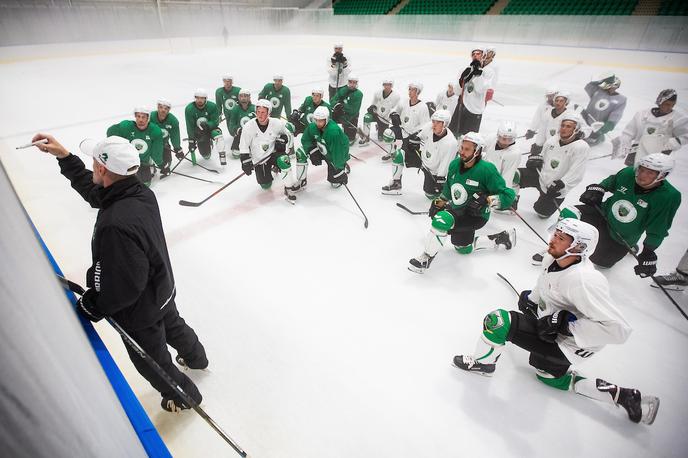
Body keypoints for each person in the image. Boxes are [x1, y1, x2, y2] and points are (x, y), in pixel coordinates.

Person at [32, 133, 207, 413]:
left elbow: (125, 287)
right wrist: (64, 157)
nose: (92, 169)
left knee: (153, 362)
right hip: (162, 288)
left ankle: (184, 396)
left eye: (93, 164)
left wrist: (94, 305)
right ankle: (197, 358)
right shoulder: (139, 193)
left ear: (102, 169)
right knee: (175, 326)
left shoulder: (115, 224)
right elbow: (95, 193)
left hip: (140, 311)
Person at [453, 218, 659, 426]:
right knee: (548, 376)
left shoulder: (584, 280)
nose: (553, 240)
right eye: (555, 234)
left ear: (579, 247)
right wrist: (533, 300)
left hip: (569, 344)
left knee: (497, 321)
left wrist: (566, 326)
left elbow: (618, 330)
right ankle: (624, 396)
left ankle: (483, 364)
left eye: (561, 238)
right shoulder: (553, 259)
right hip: (552, 331)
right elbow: (547, 283)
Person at [545, 153, 681, 274]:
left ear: (662, 175)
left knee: (600, 263)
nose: (642, 175)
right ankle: (557, 248)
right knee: (569, 213)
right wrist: (597, 190)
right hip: (602, 215)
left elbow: (658, 227)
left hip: (620, 236)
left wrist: (648, 251)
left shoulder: (669, 196)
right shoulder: (629, 173)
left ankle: (628, 246)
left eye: (650, 173)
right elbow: (608, 183)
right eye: (641, 169)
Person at [408, 132, 516, 274]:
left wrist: (488, 200)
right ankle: (500, 238)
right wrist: (439, 201)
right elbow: (448, 188)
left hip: (476, 216)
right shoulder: (454, 164)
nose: (462, 152)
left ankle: (425, 258)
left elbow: (509, 195)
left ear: (477, 151)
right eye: (462, 147)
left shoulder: (487, 169)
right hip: (457, 210)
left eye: (467, 149)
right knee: (463, 248)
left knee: (442, 221)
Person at [518, 112, 589, 218]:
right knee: (515, 175)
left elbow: (577, 173)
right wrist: (534, 161)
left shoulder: (581, 147)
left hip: (556, 189)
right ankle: (511, 202)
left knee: (541, 213)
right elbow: (541, 157)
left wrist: (562, 184)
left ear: (576, 129)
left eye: (568, 126)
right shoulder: (552, 140)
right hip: (541, 177)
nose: (564, 129)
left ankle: (544, 205)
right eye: (562, 125)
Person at [381, 109, 457, 198]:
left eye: (438, 122)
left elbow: (445, 163)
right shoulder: (430, 126)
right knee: (399, 154)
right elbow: (418, 135)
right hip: (422, 158)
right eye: (433, 121)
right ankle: (396, 184)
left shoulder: (451, 143)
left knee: (430, 195)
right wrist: (414, 140)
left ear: (445, 124)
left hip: (433, 171)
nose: (434, 125)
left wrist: (440, 180)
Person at [238, 99, 297, 202]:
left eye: (263, 112)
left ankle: (288, 188)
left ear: (268, 113)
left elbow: (288, 134)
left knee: (284, 160)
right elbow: (243, 146)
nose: (260, 115)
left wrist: (284, 139)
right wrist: (245, 161)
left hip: (273, 154)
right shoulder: (248, 127)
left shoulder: (277, 123)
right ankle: (271, 171)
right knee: (265, 185)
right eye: (258, 112)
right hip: (259, 159)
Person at [611, 89, 688, 167]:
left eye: (672, 105)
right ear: (660, 102)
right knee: (631, 173)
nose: (669, 107)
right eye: (667, 104)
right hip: (636, 151)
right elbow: (628, 132)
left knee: (650, 176)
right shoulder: (642, 114)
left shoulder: (678, 119)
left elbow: (685, 136)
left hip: (660, 154)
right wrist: (624, 145)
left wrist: (676, 142)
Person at [297, 105, 350, 191]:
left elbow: (338, 153)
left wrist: (339, 170)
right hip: (322, 147)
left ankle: (342, 165)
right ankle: (301, 180)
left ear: (327, 119)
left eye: (321, 120)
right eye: (316, 120)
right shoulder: (313, 126)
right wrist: (312, 149)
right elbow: (305, 139)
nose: (318, 123)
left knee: (335, 182)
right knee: (300, 152)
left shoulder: (333, 132)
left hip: (337, 151)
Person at [106, 107, 164, 186]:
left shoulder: (155, 130)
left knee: (145, 183)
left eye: (143, 117)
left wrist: (160, 164)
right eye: (138, 116)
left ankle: (151, 165)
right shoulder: (127, 126)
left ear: (148, 118)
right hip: (130, 160)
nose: (140, 120)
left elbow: (156, 151)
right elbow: (111, 132)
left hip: (144, 161)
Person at [448, 47, 496, 138]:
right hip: (461, 107)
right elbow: (457, 91)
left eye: (478, 54)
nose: (475, 56)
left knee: (469, 139)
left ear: (483, 56)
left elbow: (479, 88)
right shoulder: (465, 70)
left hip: (475, 110)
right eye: (473, 54)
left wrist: (478, 73)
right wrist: (462, 80)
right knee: (453, 136)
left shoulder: (488, 72)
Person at [385, 82, 430, 162]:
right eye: (409, 89)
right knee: (388, 133)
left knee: (405, 157)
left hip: (412, 136)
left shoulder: (423, 107)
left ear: (418, 92)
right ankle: (391, 152)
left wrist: (416, 134)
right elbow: (394, 111)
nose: (410, 91)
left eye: (413, 90)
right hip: (402, 130)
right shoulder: (404, 101)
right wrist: (393, 115)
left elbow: (425, 125)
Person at [482, 121, 521, 211]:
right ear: (498, 135)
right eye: (503, 138)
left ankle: (512, 199)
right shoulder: (491, 138)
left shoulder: (514, 153)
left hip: (496, 178)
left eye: (510, 139)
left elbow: (507, 176)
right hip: (485, 170)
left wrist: (503, 196)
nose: (506, 142)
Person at [579, 73, 626, 146]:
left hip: (598, 126)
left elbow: (617, 114)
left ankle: (599, 137)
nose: (610, 88)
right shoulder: (598, 91)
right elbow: (588, 87)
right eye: (607, 85)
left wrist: (609, 124)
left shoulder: (621, 99)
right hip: (585, 119)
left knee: (589, 140)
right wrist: (600, 81)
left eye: (612, 86)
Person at [184, 88, 226, 165]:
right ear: (195, 98)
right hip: (199, 132)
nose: (200, 100)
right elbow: (189, 126)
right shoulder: (189, 109)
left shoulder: (212, 106)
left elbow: (215, 121)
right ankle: (208, 144)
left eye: (202, 98)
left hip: (211, 129)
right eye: (198, 98)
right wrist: (191, 140)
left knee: (218, 135)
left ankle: (222, 156)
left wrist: (207, 125)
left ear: (205, 99)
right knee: (206, 156)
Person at [529, 91, 571, 156]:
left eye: (561, 101)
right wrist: (538, 144)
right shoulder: (547, 114)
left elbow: (583, 129)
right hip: (549, 145)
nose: (558, 103)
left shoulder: (571, 115)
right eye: (556, 101)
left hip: (563, 147)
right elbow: (542, 131)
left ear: (566, 102)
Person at [361, 79, 400, 144]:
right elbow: (373, 103)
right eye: (385, 85)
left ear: (391, 86)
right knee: (367, 117)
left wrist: (392, 115)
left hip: (385, 118)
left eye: (389, 85)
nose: (387, 87)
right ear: (383, 85)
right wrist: (372, 107)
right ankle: (366, 137)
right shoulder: (377, 93)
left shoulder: (396, 96)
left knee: (381, 138)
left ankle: (379, 126)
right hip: (376, 114)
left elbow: (394, 109)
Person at [150, 99, 183, 175]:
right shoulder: (151, 117)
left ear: (169, 110)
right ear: (157, 107)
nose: (163, 110)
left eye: (166, 108)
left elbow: (175, 136)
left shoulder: (173, 120)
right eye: (161, 107)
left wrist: (177, 148)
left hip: (164, 144)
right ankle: (150, 165)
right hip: (151, 143)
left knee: (167, 163)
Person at [331, 75, 363, 145]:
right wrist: (337, 105)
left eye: (354, 83)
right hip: (341, 114)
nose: (352, 84)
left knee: (349, 140)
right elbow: (333, 100)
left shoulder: (358, 94)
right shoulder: (343, 90)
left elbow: (353, 110)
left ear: (356, 83)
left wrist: (341, 106)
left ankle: (354, 131)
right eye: (350, 82)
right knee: (328, 119)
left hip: (351, 117)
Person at [228, 89, 256, 159]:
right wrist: (237, 130)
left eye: (245, 96)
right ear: (239, 97)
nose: (243, 98)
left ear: (249, 97)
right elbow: (231, 124)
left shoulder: (255, 108)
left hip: (253, 135)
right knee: (236, 154)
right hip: (240, 134)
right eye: (241, 96)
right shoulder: (235, 109)